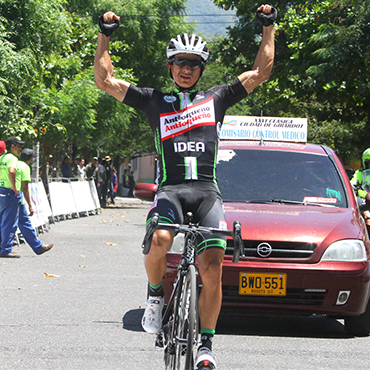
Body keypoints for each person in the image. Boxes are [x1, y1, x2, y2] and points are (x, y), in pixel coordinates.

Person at [95, 5, 276, 369]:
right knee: (161, 239)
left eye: (193, 63)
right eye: (180, 62)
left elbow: (261, 72)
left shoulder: (217, 98)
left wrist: (269, 27)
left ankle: (206, 345)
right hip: (171, 191)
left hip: (207, 192)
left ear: (201, 69)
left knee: (213, 266)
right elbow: (105, 80)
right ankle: (154, 294)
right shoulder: (153, 101)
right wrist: (104, 34)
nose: (186, 68)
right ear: (170, 66)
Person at [17, 148, 54, 255]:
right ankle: (38, 247)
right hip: (15, 198)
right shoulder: (25, 167)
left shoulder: (14, 163)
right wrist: (30, 204)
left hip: (5, 194)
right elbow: (25, 188)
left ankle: (37, 247)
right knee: (24, 223)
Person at [0, 136, 24, 258]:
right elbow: (11, 171)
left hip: (1, 191)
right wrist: (14, 187)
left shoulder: (1, 158)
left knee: (1, 222)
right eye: (18, 146)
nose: (20, 148)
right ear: (12, 146)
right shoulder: (12, 158)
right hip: (9, 193)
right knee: (9, 222)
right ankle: (6, 249)